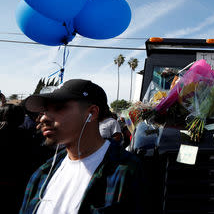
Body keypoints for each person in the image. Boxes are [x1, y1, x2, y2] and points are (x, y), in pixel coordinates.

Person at [20, 79, 148, 214]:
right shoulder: (42, 173)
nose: (43, 118)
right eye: (45, 110)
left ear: (91, 113)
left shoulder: (125, 172)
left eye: (58, 107)